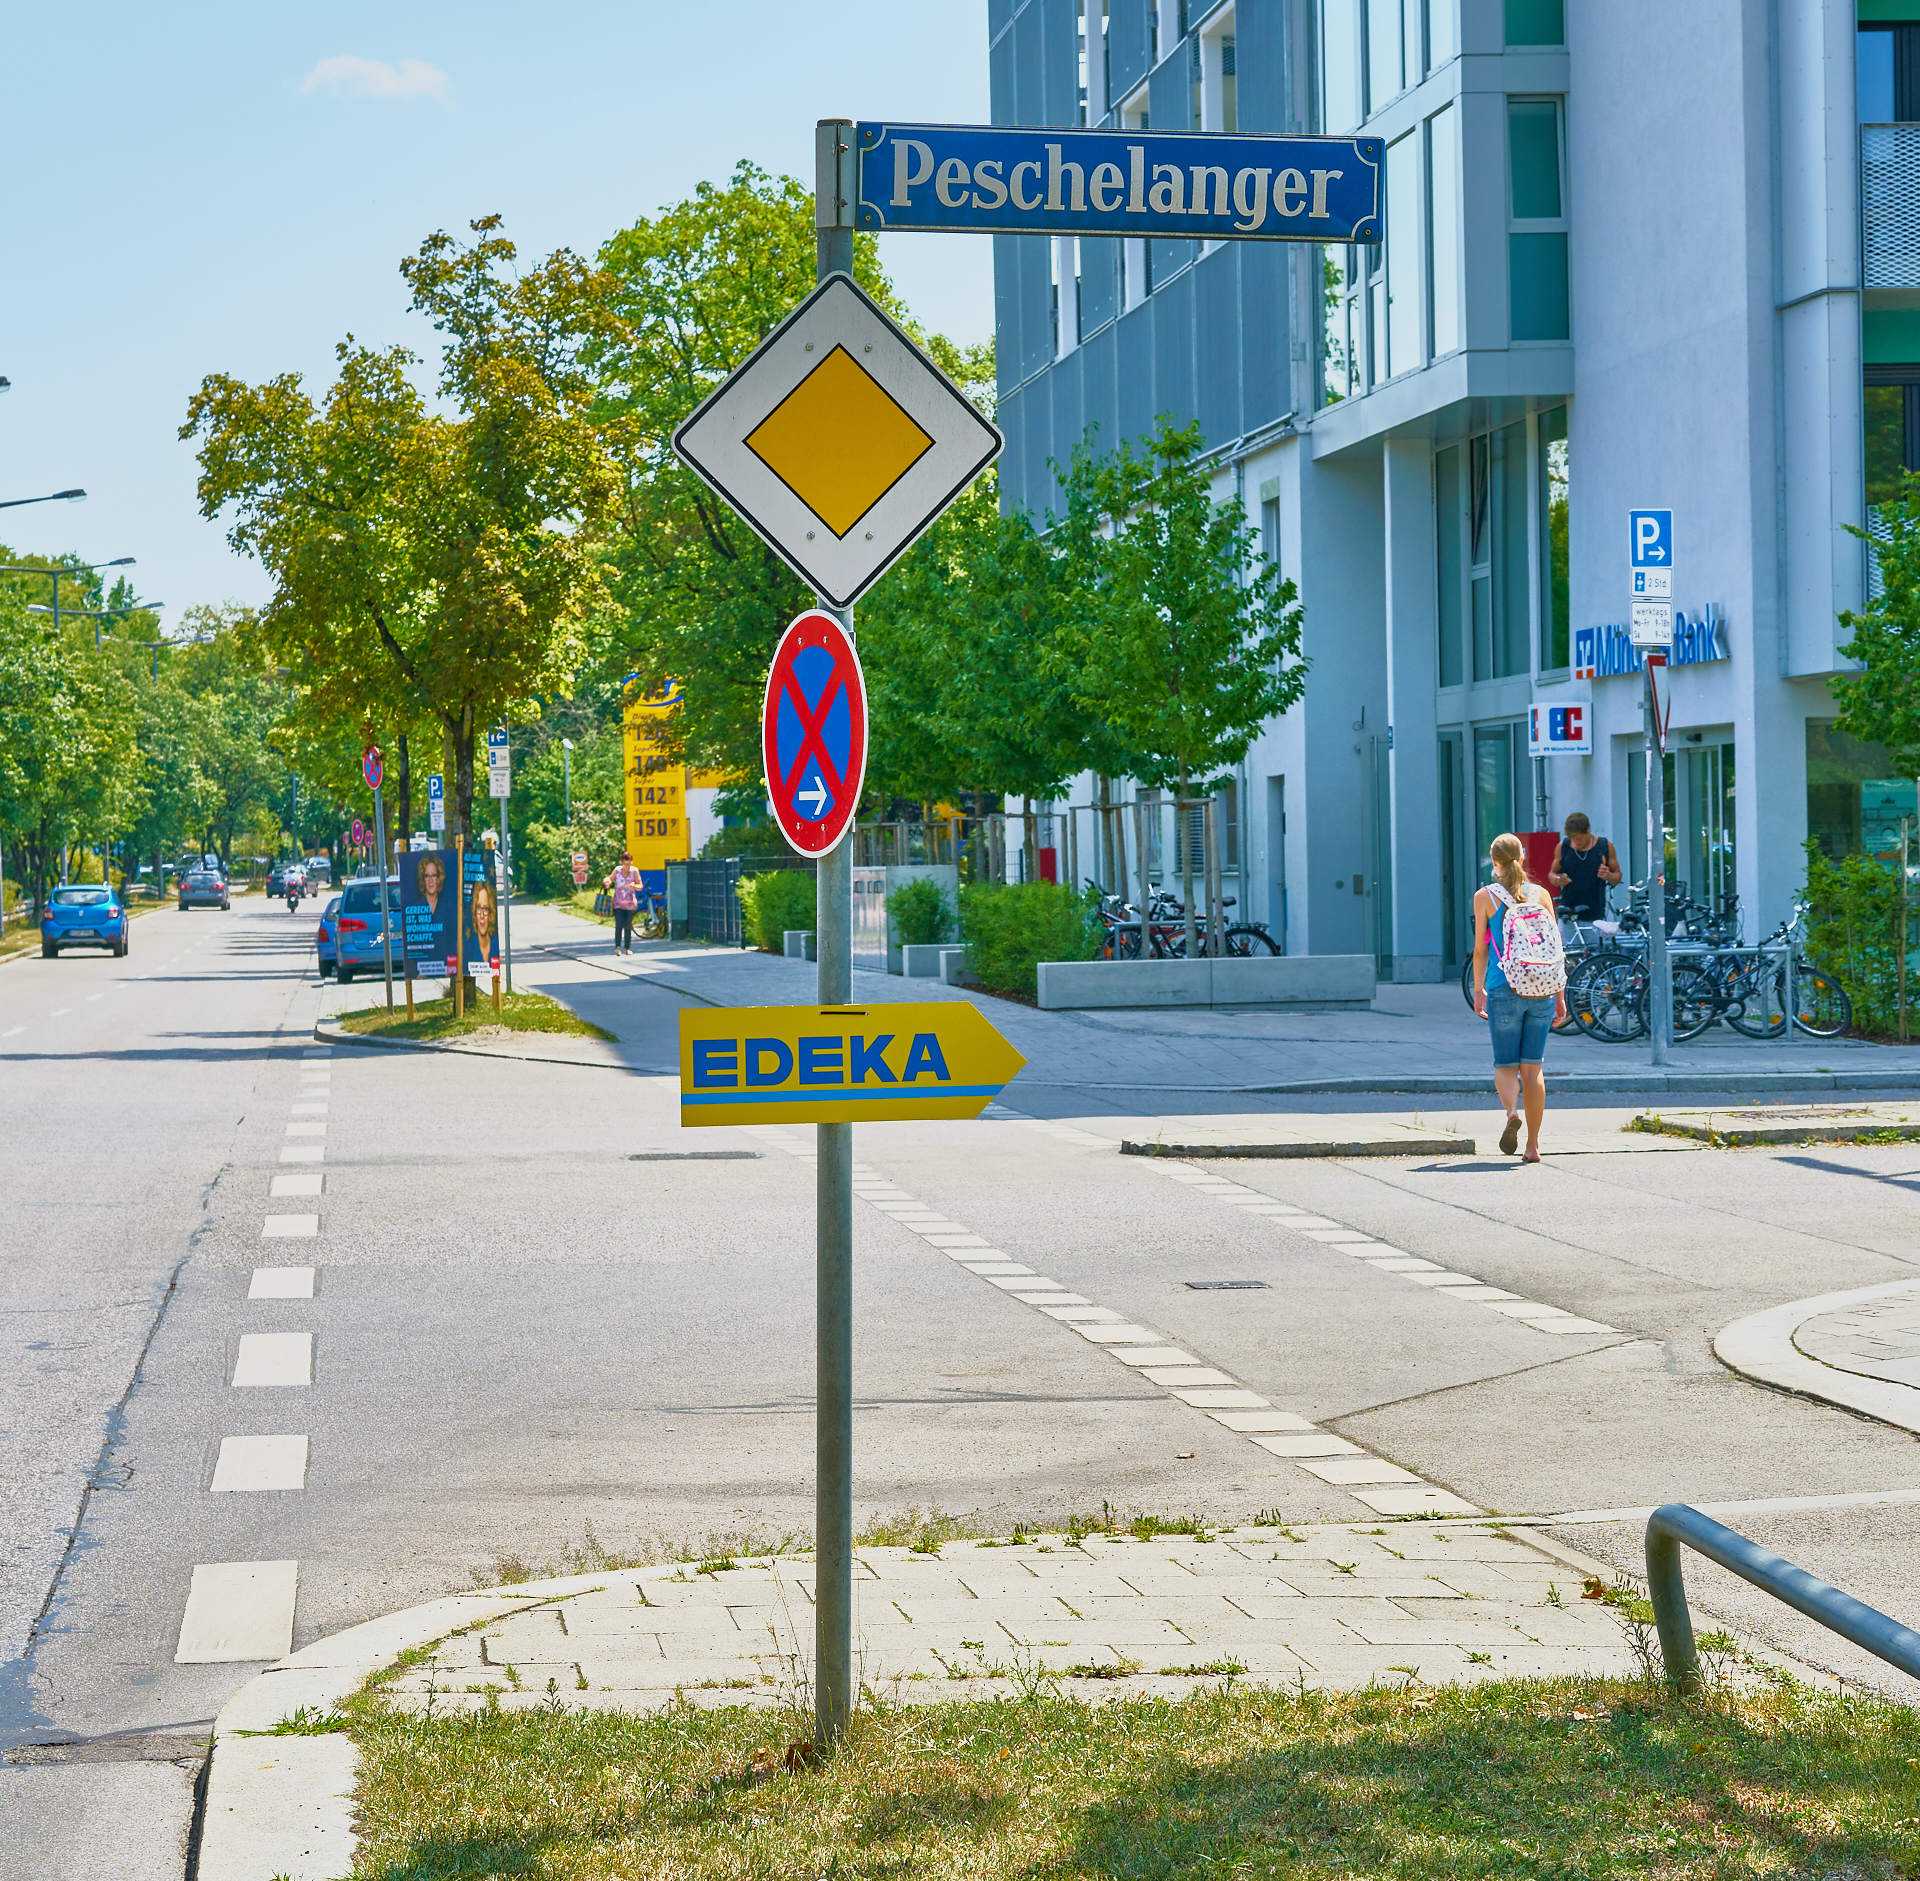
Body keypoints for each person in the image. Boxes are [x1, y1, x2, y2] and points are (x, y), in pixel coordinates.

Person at [1474, 832, 1569, 1163]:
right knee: (1533, 1069)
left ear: (1494, 861)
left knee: (1505, 1065)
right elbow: (1555, 948)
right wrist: (1560, 995)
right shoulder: (1542, 894)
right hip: (1542, 988)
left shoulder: (1485, 897)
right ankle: (1532, 1146)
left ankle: (1511, 1111)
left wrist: (1478, 989)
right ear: (1522, 858)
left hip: (1503, 988)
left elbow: (1480, 950)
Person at [1547, 812, 1621, 923]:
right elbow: (1552, 873)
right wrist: (1557, 880)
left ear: (1588, 830)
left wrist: (1608, 876)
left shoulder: (1604, 846)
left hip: (1595, 911)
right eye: (1572, 838)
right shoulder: (1563, 847)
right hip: (1568, 911)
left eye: (1579, 838)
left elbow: (1618, 876)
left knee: (1592, 940)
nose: (1576, 842)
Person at [605, 850, 642, 954]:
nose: (627, 866)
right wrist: (607, 881)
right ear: (621, 862)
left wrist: (634, 886)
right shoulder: (617, 870)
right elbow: (610, 878)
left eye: (629, 864)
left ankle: (627, 948)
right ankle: (617, 947)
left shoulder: (634, 871)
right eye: (625, 864)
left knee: (628, 926)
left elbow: (640, 885)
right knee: (619, 924)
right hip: (618, 903)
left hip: (630, 903)